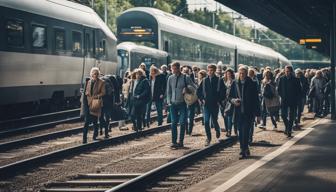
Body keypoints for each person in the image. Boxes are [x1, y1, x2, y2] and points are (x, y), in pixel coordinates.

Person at [229, 65, 260, 159]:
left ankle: (243, 149)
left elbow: (256, 100)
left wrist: (258, 115)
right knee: (240, 132)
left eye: (243, 73)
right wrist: (234, 101)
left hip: (248, 112)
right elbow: (229, 97)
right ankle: (244, 148)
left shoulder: (252, 83)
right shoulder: (235, 83)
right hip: (238, 112)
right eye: (240, 73)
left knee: (245, 131)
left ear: (247, 74)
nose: (241, 75)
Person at [166, 62, 195, 148]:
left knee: (182, 122)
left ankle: (181, 141)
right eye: (172, 69)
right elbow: (168, 91)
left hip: (183, 104)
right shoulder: (170, 78)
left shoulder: (186, 78)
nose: (173, 70)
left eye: (175, 69)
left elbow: (194, 88)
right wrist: (168, 101)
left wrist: (187, 89)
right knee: (174, 123)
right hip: (173, 104)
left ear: (179, 68)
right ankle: (174, 142)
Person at [197, 64, 226, 146]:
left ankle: (217, 129)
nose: (210, 72)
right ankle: (208, 138)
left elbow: (223, 92)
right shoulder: (204, 80)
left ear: (214, 71)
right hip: (206, 104)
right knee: (206, 121)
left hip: (215, 104)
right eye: (208, 70)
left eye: (211, 70)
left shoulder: (219, 80)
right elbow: (198, 91)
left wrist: (219, 100)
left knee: (214, 120)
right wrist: (202, 99)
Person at [82, 67, 105, 144]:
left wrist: (96, 96)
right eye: (94, 73)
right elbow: (85, 92)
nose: (95, 75)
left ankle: (95, 136)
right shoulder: (88, 82)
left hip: (95, 104)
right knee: (86, 122)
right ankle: (84, 139)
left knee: (95, 121)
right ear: (91, 74)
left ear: (98, 74)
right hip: (88, 104)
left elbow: (103, 93)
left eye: (96, 74)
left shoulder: (101, 82)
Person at [278, 65, 302, 137]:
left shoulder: (296, 79)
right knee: (283, 115)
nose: (287, 73)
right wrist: (282, 96)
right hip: (284, 100)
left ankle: (289, 130)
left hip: (293, 100)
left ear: (291, 72)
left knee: (291, 116)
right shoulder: (282, 79)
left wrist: (297, 99)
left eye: (288, 71)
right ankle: (288, 126)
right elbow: (279, 89)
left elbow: (299, 91)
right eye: (286, 71)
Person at [223, 68, 236, 137]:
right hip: (225, 101)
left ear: (232, 74)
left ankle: (229, 131)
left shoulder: (233, 82)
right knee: (226, 116)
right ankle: (228, 129)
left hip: (231, 100)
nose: (228, 75)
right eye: (227, 74)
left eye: (229, 74)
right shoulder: (225, 81)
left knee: (229, 116)